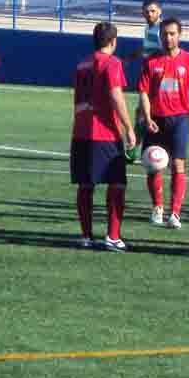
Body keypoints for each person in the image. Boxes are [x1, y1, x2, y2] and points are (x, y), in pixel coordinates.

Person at [72, 22, 137, 251]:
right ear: (113, 41)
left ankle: (86, 236)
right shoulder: (112, 62)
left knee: (86, 185)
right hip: (104, 132)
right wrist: (129, 128)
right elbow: (116, 96)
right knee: (117, 184)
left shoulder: (82, 64)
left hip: (81, 131)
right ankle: (112, 236)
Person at [136, 16, 189, 228]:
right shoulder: (151, 61)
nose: (168, 38)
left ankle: (175, 213)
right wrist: (148, 117)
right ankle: (157, 208)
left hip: (180, 118)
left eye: (172, 34)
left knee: (178, 165)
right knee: (154, 164)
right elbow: (143, 92)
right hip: (156, 120)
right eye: (164, 34)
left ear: (180, 35)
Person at [125, 0, 163, 164]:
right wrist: (129, 58)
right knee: (141, 112)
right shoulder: (149, 28)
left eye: (153, 11)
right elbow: (146, 49)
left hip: (157, 76)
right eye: (147, 11)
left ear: (159, 12)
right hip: (148, 74)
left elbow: (164, 52)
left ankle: (136, 149)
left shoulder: (161, 30)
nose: (149, 14)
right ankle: (137, 148)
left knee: (145, 112)